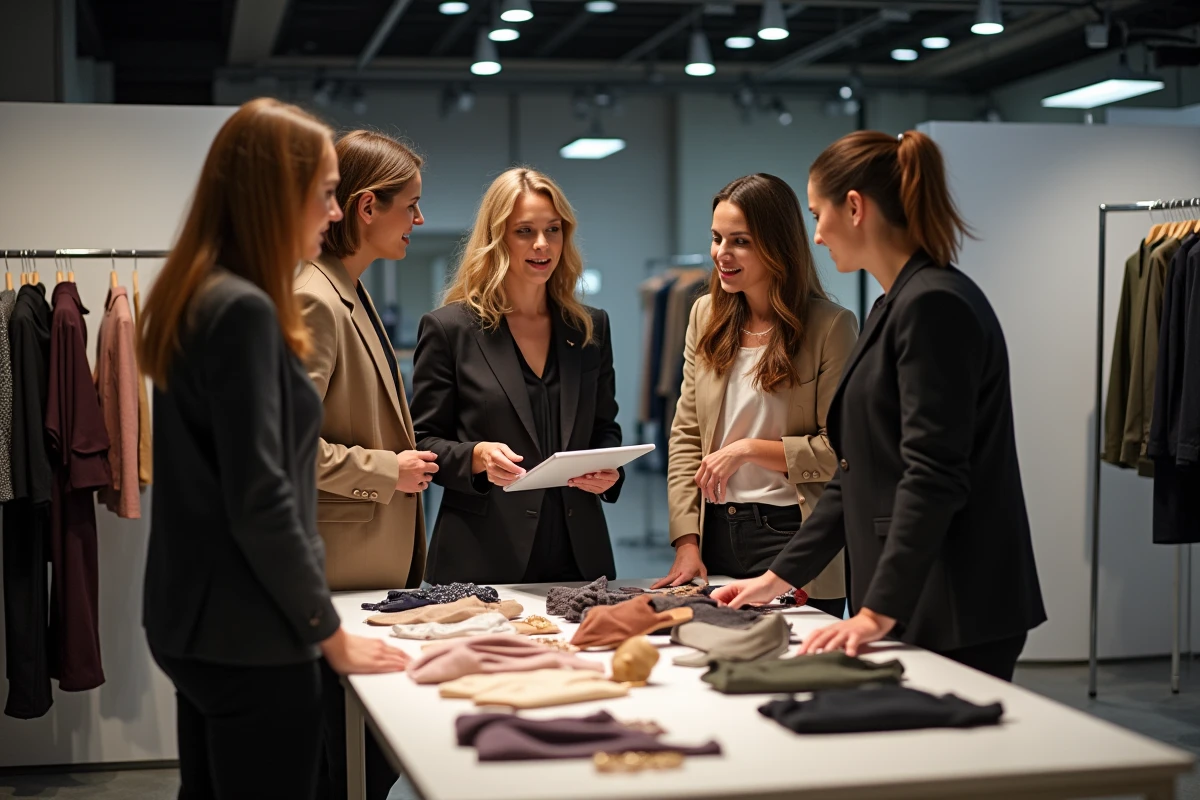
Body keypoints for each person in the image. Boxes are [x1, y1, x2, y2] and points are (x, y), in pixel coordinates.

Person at [139, 98, 408, 799]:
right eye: (324, 193)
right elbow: (262, 496)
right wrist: (329, 632)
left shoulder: (203, 293)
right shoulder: (245, 310)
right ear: (276, 193)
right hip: (250, 631)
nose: (333, 211)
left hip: (197, 623)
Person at [714, 130, 1046, 682]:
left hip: (953, 597)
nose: (816, 237)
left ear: (854, 207)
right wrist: (778, 577)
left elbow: (934, 474)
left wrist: (876, 611)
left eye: (818, 214)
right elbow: (854, 469)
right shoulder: (892, 306)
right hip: (912, 594)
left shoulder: (934, 305)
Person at [295, 129, 431, 799]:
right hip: (334, 570)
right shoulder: (316, 296)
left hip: (363, 573)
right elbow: (289, 446)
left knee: (362, 765)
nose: (421, 219)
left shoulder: (351, 288)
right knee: (337, 768)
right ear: (367, 206)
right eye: (412, 204)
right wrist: (387, 471)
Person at [653, 174, 854, 619]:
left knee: (791, 673)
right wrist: (687, 542)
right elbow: (687, 435)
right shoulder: (704, 314)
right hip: (716, 535)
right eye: (716, 238)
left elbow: (839, 450)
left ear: (776, 244)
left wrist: (746, 451)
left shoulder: (831, 327)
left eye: (739, 241)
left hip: (793, 538)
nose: (721, 254)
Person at [411, 167, 623, 584]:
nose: (542, 243)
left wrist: (610, 471)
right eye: (524, 230)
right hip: (481, 556)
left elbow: (604, 427)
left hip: (579, 554)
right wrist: (476, 457)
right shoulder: (449, 328)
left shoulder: (590, 328)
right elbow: (422, 440)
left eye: (553, 229)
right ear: (497, 238)